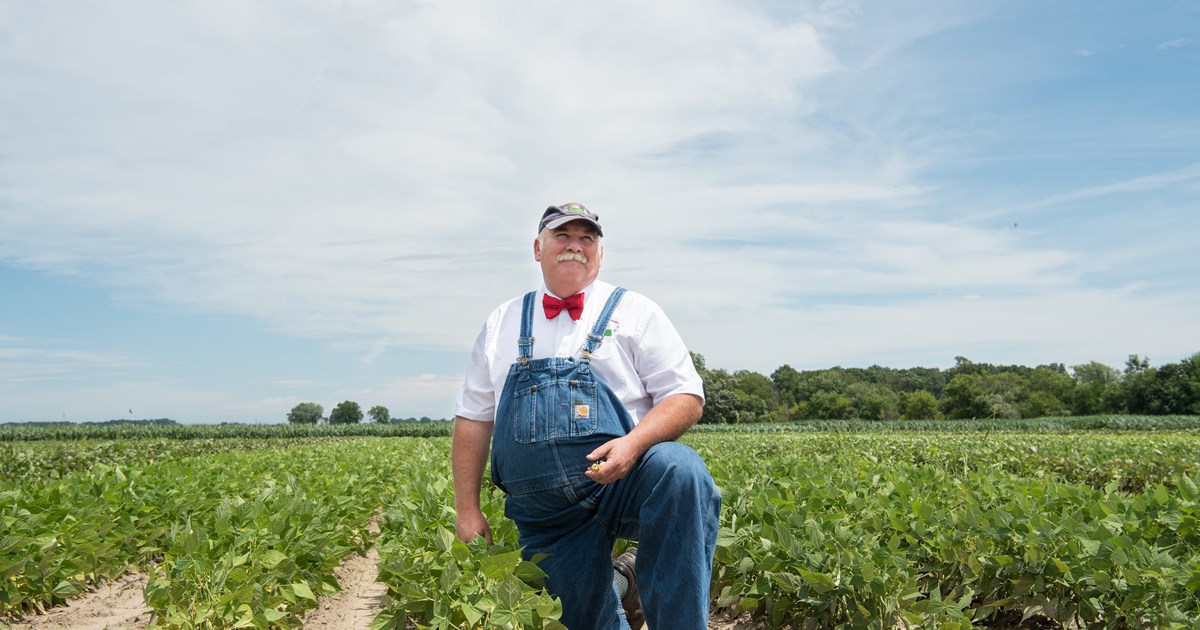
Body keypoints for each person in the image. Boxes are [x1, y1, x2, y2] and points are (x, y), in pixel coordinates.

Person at [452, 202, 721, 630]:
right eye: (563, 236)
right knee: (585, 621)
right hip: (547, 511)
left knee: (680, 471)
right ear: (538, 248)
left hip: (626, 481)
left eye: (587, 238)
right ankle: (624, 582)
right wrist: (466, 510)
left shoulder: (635, 311)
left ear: (599, 252)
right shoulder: (501, 322)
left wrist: (633, 445)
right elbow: (473, 418)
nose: (575, 247)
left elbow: (685, 395)